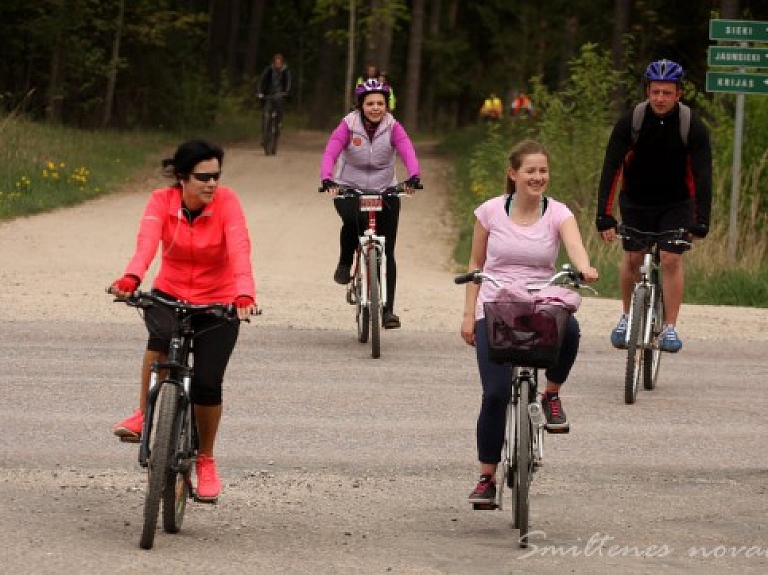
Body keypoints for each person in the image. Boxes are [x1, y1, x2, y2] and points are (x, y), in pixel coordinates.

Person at [109, 139, 256, 502]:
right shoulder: (162, 201)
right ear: (182, 178)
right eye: (203, 177)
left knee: (207, 383)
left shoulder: (227, 203)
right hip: (170, 292)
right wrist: (131, 278)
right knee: (158, 342)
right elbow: (146, 243)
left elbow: (239, 247)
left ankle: (205, 459)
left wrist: (244, 293)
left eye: (216, 177)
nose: (211, 184)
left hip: (218, 300)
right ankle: (144, 414)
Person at [460, 139, 598, 504]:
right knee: (494, 395)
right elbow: (475, 266)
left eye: (543, 170)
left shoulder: (558, 213)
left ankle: (551, 394)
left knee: (570, 327)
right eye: (530, 171)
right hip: (496, 304)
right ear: (513, 173)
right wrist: (468, 315)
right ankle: (486, 477)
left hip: (541, 302)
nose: (538, 177)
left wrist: (584, 268)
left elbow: (575, 246)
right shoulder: (490, 211)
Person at [595, 58, 712, 353]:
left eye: (667, 92)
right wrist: (604, 215)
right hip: (636, 201)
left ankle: (670, 328)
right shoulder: (632, 121)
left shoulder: (691, 125)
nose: (660, 98)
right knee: (633, 259)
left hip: (676, 204)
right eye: (655, 91)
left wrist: (702, 221)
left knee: (671, 259)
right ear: (647, 91)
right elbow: (611, 168)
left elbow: (702, 176)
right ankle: (626, 317)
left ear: (678, 94)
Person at [320, 78, 421, 330]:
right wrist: (327, 178)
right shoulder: (348, 124)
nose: (375, 108)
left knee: (388, 250)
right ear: (360, 105)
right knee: (353, 220)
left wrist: (414, 176)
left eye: (380, 103)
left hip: (385, 190)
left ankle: (388, 312)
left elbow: (407, 149)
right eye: (370, 103)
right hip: (348, 187)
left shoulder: (393, 126)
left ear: (387, 106)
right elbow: (331, 150)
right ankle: (345, 262)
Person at [257, 53, 292, 146]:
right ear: (274, 63)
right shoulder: (269, 70)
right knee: (265, 115)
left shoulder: (285, 71)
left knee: (279, 113)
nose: (277, 65)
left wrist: (286, 91)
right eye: (276, 63)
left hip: (280, 96)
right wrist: (260, 92)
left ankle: (278, 125)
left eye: (279, 63)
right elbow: (262, 80)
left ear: (282, 63)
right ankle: (264, 136)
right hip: (269, 95)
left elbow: (288, 82)